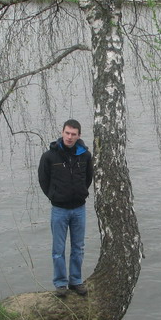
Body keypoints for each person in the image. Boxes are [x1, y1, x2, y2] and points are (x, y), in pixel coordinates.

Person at [38, 119, 93, 298]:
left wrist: (80, 193)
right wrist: (54, 196)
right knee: (58, 249)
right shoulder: (49, 156)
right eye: (67, 133)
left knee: (78, 247)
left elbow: (88, 178)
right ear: (62, 133)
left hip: (79, 209)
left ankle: (75, 280)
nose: (69, 137)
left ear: (79, 136)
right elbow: (43, 180)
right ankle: (60, 283)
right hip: (59, 210)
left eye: (73, 134)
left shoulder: (85, 156)